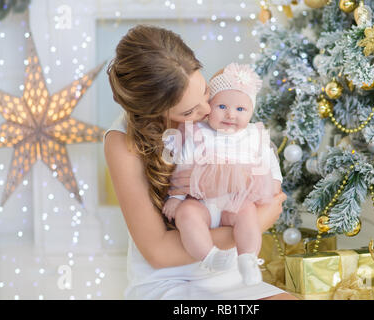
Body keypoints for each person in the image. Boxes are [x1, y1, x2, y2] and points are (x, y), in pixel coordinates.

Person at [104, 24, 297, 300]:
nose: (208, 110)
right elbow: (159, 252)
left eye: (205, 91)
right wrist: (256, 223)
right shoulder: (122, 141)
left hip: (232, 275)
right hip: (170, 282)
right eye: (190, 110)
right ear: (154, 112)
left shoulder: (218, 104)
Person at [162, 62, 282, 286]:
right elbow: (183, 165)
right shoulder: (197, 132)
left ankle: (248, 259)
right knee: (186, 214)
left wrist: (274, 182)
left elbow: (268, 162)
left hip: (234, 202)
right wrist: (176, 198)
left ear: (250, 112)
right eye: (222, 106)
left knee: (247, 215)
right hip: (201, 201)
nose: (230, 115)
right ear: (209, 107)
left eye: (240, 109)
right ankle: (210, 256)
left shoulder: (253, 136)